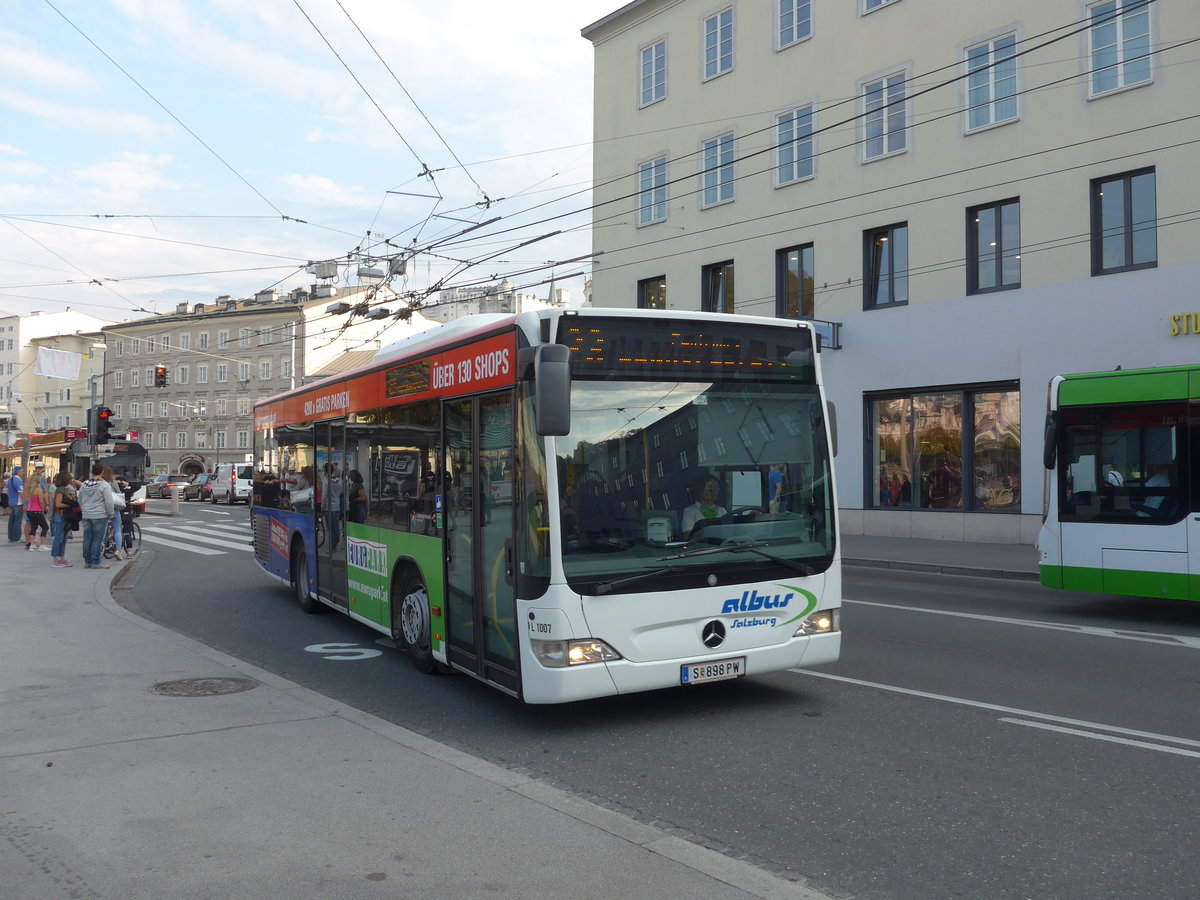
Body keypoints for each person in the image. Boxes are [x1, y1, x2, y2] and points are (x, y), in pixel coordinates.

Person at [78, 462, 115, 569]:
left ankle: (87, 561)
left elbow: (80, 499)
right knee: (97, 539)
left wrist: (83, 509)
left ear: (91, 472)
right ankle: (96, 561)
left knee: (87, 538)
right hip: (99, 514)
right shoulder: (104, 485)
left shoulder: (84, 484)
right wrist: (110, 513)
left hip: (86, 514)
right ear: (102, 472)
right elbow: (109, 502)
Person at [50, 470, 77, 568]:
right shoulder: (61, 489)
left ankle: (61, 558)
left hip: (63, 515)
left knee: (63, 538)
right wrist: (70, 503)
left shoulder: (64, 489)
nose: (71, 479)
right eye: (69, 477)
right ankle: (56, 559)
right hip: (60, 514)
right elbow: (58, 504)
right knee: (59, 537)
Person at [22, 469, 49, 551]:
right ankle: (43, 544)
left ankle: (32, 544)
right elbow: (41, 501)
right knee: (45, 527)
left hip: (30, 510)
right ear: (38, 482)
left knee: (33, 526)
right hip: (37, 510)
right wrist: (42, 508)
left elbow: (25, 498)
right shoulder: (38, 490)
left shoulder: (29, 490)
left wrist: (25, 505)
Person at [6, 464, 24, 543]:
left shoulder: (10, 480)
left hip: (11, 502)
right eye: (22, 471)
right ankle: (16, 537)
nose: (23, 473)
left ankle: (11, 537)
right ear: (18, 472)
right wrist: (25, 503)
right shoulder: (18, 480)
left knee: (11, 520)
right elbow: (21, 493)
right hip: (18, 502)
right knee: (17, 521)